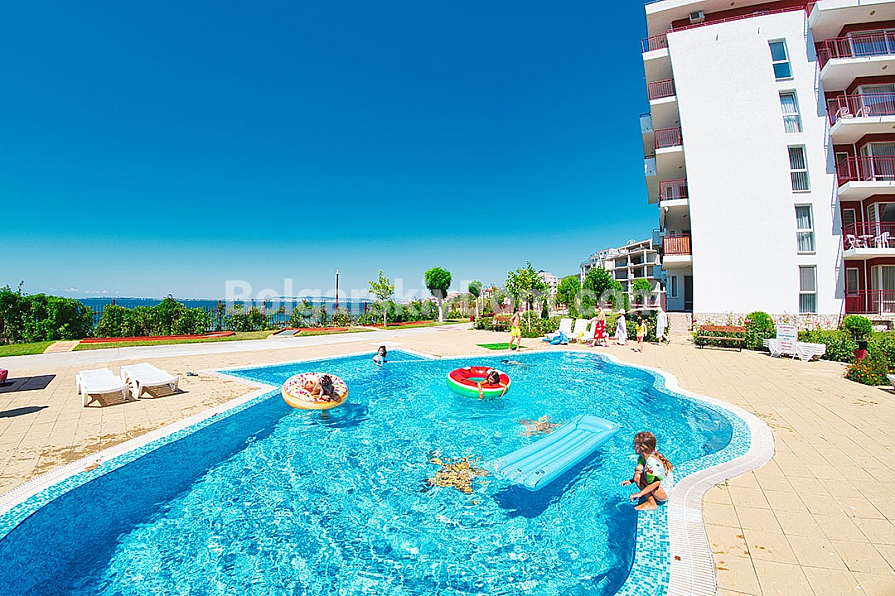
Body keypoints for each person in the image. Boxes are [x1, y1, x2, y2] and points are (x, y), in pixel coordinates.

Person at [621, 431, 674, 511]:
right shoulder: (644, 457)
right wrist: (631, 481)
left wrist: (640, 493)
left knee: (637, 476)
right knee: (638, 471)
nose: (633, 446)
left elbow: (656, 483)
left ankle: (651, 503)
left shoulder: (652, 463)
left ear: (641, 448)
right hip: (660, 488)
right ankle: (650, 498)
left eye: (635, 444)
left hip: (664, 493)